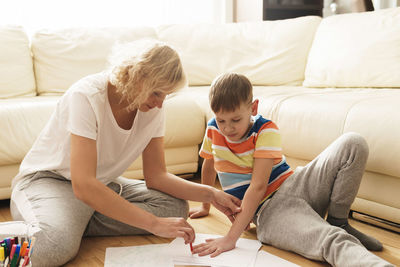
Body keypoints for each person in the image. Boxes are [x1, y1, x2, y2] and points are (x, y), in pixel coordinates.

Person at [9, 41, 241, 266]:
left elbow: (157, 176)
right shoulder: (86, 96)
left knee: (174, 208)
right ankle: (65, 222)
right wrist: (152, 224)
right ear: (136, 76)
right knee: (52, 247)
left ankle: (73, 219)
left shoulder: (151, 108)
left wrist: (211, 194)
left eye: (165, 96)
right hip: (48, 181)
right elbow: (83, 184)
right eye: (157, 93)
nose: (160, 104)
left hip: (99, 184)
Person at [190, 73, 393, 267]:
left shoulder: (264, 130)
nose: (227, 128)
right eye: (221, 120)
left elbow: (258, 185)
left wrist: (230, 238)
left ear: (253, 108)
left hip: (296, 184)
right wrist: (205, 205)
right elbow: (209, 163)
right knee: (331, 239)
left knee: (353, 143)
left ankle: (338, 221)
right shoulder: (213, 129)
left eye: (236, 120)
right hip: (270, 211)